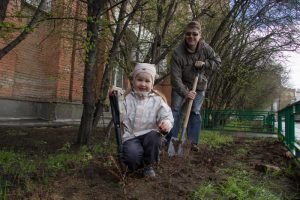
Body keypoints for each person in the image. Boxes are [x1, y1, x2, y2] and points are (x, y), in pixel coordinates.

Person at [168, 21, 221, 151]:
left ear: (200, 36)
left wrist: (205, 64)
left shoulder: (206, 49)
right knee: (175, 111)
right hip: (181, 84)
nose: (191, 36)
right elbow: (175, 78)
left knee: (195, 112)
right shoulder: (177, 53)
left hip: (199, 84)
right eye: (188, 34)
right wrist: (185, 92)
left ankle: (193, 143)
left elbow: (218, 62)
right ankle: (171, 141)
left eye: (194, 34)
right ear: (185, 35)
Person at [121, 63, 174, 177]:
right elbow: (120, 114)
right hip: (131, 136)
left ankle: (148, 166)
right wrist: (114, 98)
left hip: (149, 136)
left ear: (152, 83)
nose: (143, 84)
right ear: (133, 81)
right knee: (132, 157)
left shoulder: (157, 100)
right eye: (139, 80)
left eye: (147, 81)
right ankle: (136, 166)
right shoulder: (126, 99)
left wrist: (166, 123)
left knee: (154, 137)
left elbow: (166, 115)